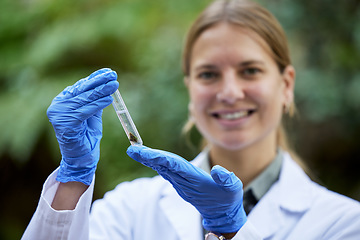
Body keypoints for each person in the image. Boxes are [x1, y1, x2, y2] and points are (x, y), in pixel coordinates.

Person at [22, 0, 360, 239]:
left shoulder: (343, 224)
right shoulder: (130, 209)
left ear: (286, 86)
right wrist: (74, 179)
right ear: (190, 90)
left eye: (250, 71)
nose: (229, 92)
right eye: (208, 74)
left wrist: (231, 230)